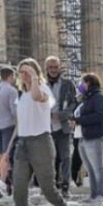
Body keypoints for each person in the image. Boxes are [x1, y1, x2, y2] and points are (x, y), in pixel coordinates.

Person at [3, 59, 79, 206]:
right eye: (21, 71)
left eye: (27, 71)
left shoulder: (44, 90)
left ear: (35, 72)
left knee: (48, 189)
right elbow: (19, 124)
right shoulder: (21, 95)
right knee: (19, 187)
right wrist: (7, 150)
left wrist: (34, 78)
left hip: (41, 142)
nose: (24, 75)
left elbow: (37, 97)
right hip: (23, 143)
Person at [73, 73, 103, 203]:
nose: (79, 85)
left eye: (81, 82)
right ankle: (93, 195)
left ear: (88, 83)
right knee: (90, 169)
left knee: (98, 167)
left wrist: (78, 121)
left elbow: (100, 115)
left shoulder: (98, 97)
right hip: (83, 137)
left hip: (95, 136)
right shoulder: (86, 99)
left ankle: (101, 195)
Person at [45, 56, 78, 195]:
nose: (53, 70)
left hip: (63, 126)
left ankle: (65, 185)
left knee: (65, 157)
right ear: (47, 69)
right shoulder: (42, 85)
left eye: (55, 67)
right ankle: (50, 185)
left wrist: (62, 115)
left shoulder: (68, 84)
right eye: (50, 67)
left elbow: (73, 103)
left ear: (60, 68)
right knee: (49, 157)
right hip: (47, 126)